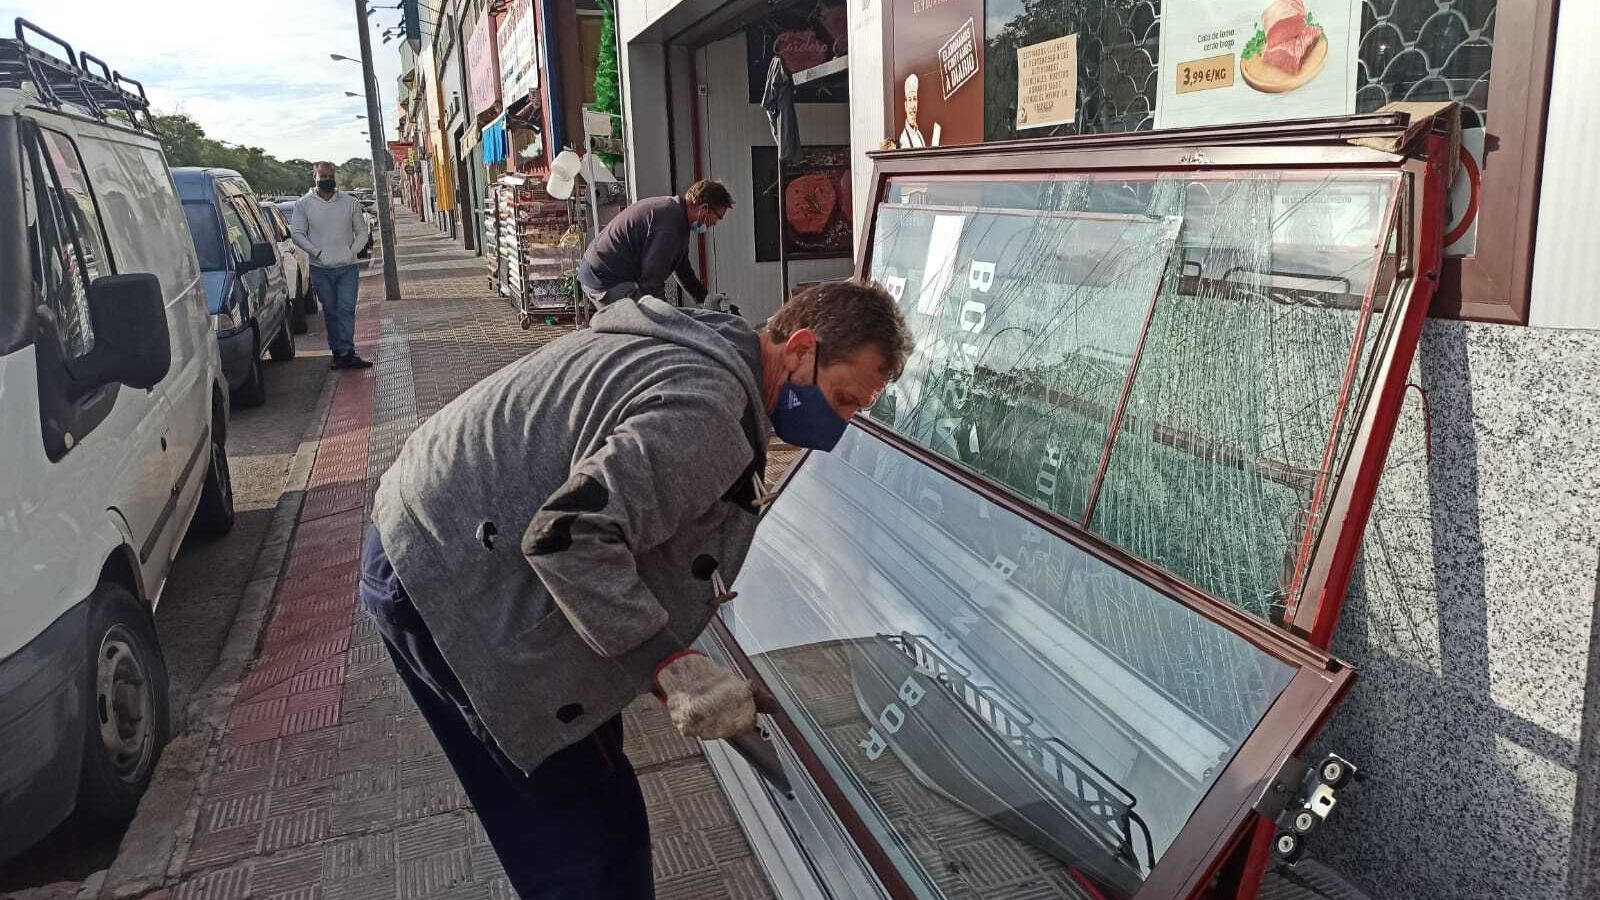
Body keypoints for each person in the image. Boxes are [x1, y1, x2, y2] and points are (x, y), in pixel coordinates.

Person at [362, 280, 913, 899]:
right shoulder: (707, 412)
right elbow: (568, 538)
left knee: (588, 769)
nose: (839, 427)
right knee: (587, 839)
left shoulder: (706, 347)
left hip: (427, 535)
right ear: (802, 350)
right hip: (445, 580)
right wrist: (671, 666)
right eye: (842, 399)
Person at [576, 178, 732, 309]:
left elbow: (682, 268)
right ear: (704, 208)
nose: (714, 224)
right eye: (717, 218)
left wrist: (704, 299)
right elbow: (651, 281)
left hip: (604, 273)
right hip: (604, 279)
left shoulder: (678, 216)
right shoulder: (669, 224)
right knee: (651, 326)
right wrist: (667, 316)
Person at [290, 161, 372, 369]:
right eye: (323, 177)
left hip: (347, 267)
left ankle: (348, 351)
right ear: (315, 177)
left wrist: (351, 252)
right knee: (331, 310)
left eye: (330, 176)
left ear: (335, 177)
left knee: (346, 309)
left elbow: (362, 231)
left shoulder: (349, 202)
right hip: (320, 269)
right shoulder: (304, 204)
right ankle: (338, 352)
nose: (327, 180)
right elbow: (297, 233)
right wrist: (316, 252)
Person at [899, 73, 927, 149]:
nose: (912, 105)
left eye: (914, 99)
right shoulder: (903, 139)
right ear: (905, 105)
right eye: (909, 100)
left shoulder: (919, 135)